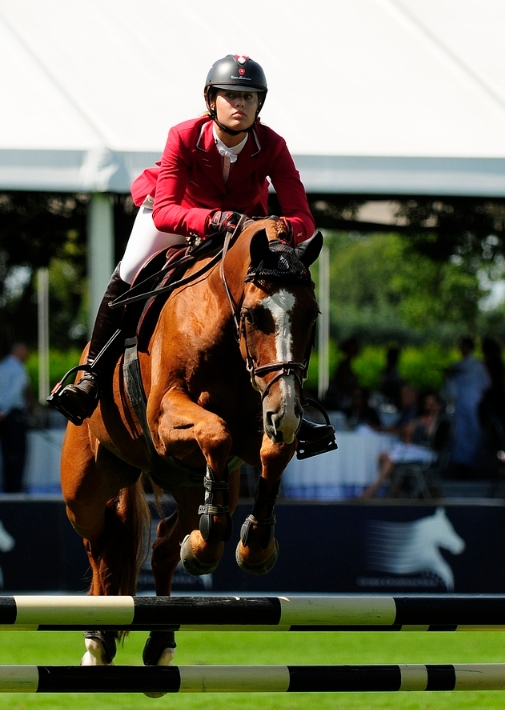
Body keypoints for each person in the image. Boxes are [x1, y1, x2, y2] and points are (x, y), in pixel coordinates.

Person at [48, 54, 332, 450]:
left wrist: (274, 229)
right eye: (230, 95)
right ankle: (90, 376)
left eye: (249, 97)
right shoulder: (183, 135)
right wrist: (214, 221)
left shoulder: (273, 145)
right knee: (129, 272)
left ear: (260, 105)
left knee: (280, 300)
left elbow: (302, 218)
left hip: (241, 230)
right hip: (174, 215)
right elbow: (165, 211)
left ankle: (289, 403)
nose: (240, 104)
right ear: (211, 100)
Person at [360, 390, 445, 499]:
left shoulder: (441, 420)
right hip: (412, 448)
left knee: (390, 459)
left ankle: (371, 492)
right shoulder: (419, 417)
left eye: (433, 404)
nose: (429, 407)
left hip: (427, 452)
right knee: (382, 457)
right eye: (427, 404)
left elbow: (431, 435)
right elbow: (406, 431)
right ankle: (397, 491)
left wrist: (433, 417)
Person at [443, 336, 490, 477]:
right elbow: (451, 389)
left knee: (474, 433)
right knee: (459, 434)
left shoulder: (477, 365)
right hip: (460, 405)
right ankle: (461, 464)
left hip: (473, 405)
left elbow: (486, 383)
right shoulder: (457, 366)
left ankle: (473, 464)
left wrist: (475, 395)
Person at [0, 343, 30, 493]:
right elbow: (16, 391)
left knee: (6, 452)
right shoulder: (18, 368)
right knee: (19, 452)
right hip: (13, 414)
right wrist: (5, 410)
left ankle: (7, 486)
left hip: (2, 414)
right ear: (19, 352)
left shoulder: (2, 366)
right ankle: (16, 487)